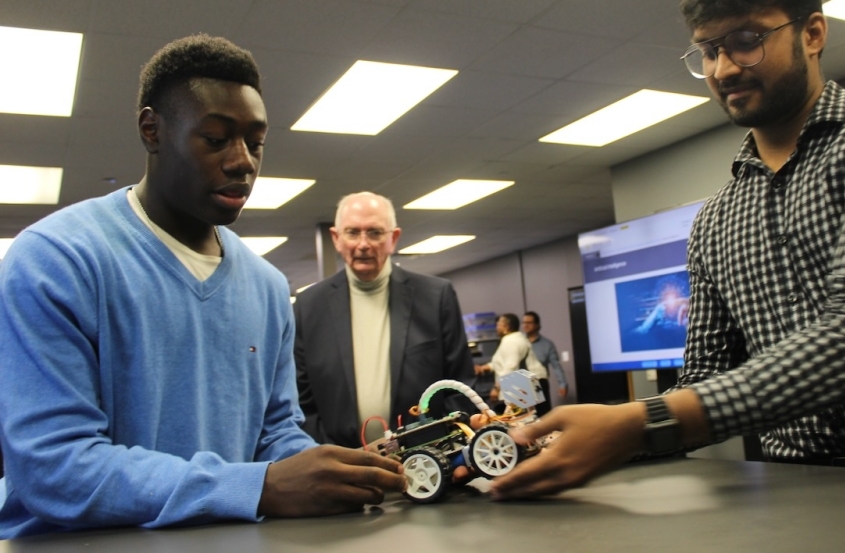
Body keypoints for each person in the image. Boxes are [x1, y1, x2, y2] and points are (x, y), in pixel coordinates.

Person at [491, 0, 845, 500]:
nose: (723, 68)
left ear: (812, 33)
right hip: (802, 489)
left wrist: (641, 423)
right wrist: (554, 440)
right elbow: (705, 377)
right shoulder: (716, 219)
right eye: (707, 51)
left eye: (747, 40)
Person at [0, 34, 405, 538]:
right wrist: (261, 488)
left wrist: (339, 476)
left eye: (256, 144)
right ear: (152, 130)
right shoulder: (57, 260)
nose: (243, 162)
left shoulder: (266, 286)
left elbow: (274, 435)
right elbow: (55, 468)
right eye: (215, 139)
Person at [294, 191, 475, 448]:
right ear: (336, 238)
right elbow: (301, 402)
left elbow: (461, 386)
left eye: (375, 232)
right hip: (341, 465)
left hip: (426, 461)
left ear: (394, 238)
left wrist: (448, 447)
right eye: (353, 232)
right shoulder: (309, 306)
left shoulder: (435, 297)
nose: (363, 243)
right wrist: (324, 454)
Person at [475, 313, 547, 406]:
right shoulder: (514, 338)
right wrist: (485, 367)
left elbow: (510, 366)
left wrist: (496, 389)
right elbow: (502, 361)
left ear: (506, 327)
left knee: (529, 418)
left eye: (498, 324)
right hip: (530, 383)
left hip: (526, 385)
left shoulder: (511, 341)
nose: (496, 327)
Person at [521, 311, 568, 415]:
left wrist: (562, 384)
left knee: (543, 414)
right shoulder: (519, 342)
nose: (525, 325)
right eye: (524, 322)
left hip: (539, 382)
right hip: (522, 384)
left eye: (529, 322)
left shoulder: (547, 344)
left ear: (537, 325)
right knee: (524, 416)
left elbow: (556, 366)